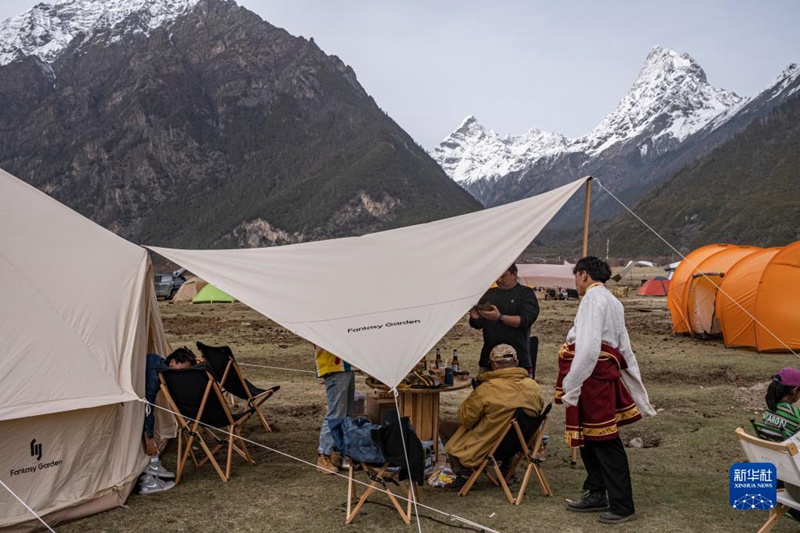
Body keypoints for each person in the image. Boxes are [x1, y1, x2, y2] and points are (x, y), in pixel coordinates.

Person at [556, 256, 656, 525]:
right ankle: (597, 491)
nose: (575, 282)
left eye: (576, 276)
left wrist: (571, 383)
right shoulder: (612, 300)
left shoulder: (592, 299)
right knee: (588, 439)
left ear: (584, 275)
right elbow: (624, 347)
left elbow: (589, 346)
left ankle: (623, 504)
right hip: (595, 375)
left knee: (604, 440)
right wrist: (636, 385)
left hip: (592, 378)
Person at [440, 344, 544, 491]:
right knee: (511, 425)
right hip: (519, 444)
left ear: (494, 364)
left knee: (445, 427)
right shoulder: (533, 387)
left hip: (489, 445)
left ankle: (464, 475)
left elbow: (466, 419)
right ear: (516, 362)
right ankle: (508, 470)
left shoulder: (487, 389)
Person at [140, 346, 197, 494]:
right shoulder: (155, 373)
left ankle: (152, 466)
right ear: (172, 362)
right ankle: (148, 474)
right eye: (182, 369)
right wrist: (150, 440)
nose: (182, 374)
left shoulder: (157, 362)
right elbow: (147, 407)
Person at [469, 264, 540, 375]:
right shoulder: (489, 294)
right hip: (489, 358)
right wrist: (476, 317)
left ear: (514, 274)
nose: (499, 280)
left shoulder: (525, 293)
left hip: (517, 360)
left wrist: (500, 317)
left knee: (518, 392)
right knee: (486, 391)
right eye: (497, 277)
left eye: (503, 276)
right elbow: (479, 324)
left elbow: (525, 320)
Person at [315, 345, 355, 474]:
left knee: (347, 414)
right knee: (336, 414)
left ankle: (339, 453)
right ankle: (323, 455)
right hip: (334, 367)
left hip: (345, 366)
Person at [753, 367, 800, 442]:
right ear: (795, 390)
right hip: (787, 452)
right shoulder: (795, 413)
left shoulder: (770, 408)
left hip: (770, 450)